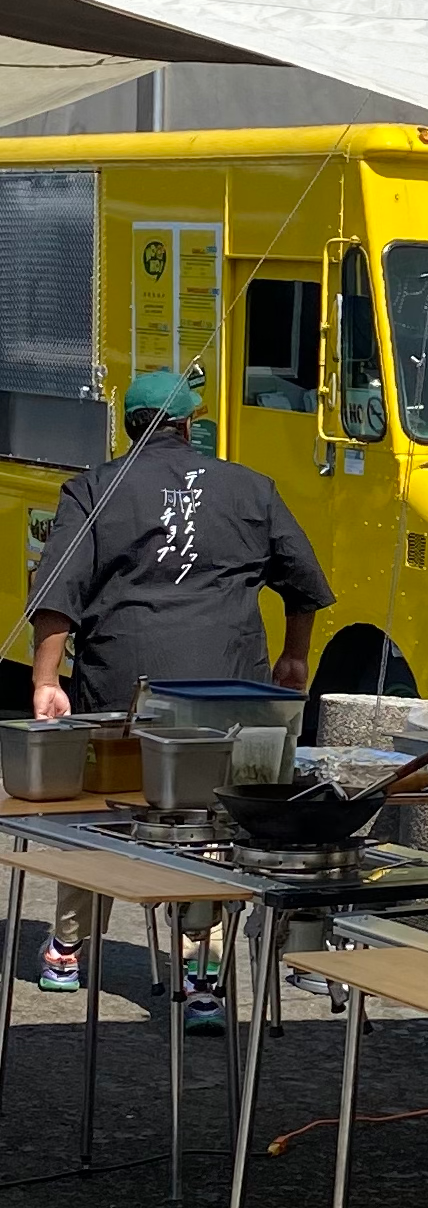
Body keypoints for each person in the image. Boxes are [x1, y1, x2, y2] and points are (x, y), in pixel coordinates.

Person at [30, 371, 334, 1026]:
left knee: (98, 817)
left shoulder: (94, 488)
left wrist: (45, 681)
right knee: (208, 825)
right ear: (191, 425)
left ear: (130, 427)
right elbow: (304, 582)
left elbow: (58, 594)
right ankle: (202, 979)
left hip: (123, 690)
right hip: (227, 697)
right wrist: (293, 655)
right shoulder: (251, 488)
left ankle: (67, 949)